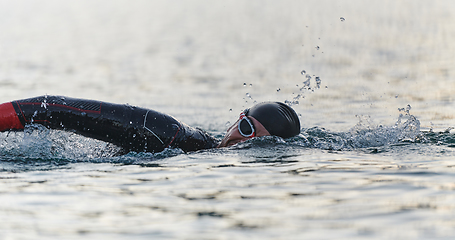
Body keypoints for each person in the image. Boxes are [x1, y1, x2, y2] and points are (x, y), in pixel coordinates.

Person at [0, 95, 300, 153]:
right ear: (238, 120)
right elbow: (50, 108)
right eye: (245, 130)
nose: (242, 142)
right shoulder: (166, 133)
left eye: (258, 143)